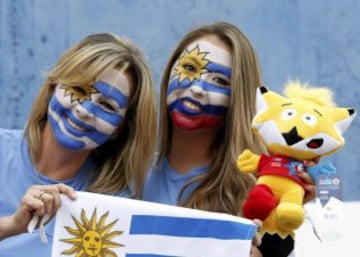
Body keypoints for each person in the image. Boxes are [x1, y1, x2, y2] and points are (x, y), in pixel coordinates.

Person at [143, 22, 316, 257]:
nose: (197, 88)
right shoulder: (130, 177)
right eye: (190, 68)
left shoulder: (260, 192)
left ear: (237, 98)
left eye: (220, 81)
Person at [0, 32, 157, 255]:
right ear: (53, 87)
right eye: (79, 89)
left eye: (108, 106)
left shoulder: (113, 204)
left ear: (121, 127)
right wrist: (11, 225)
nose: (84, 110)